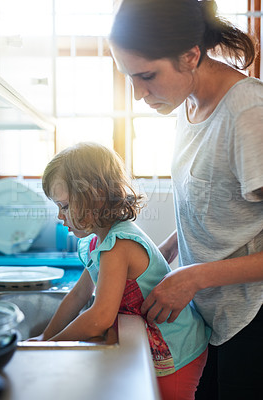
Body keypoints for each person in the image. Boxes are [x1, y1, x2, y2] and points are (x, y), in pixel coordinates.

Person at [109, 1, 263, 399]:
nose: (139, 94)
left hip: (252, 316)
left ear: (191, 55)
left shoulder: (248, 113)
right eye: (130, 77)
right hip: (214, 315)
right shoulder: (187, 104)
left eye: (147, 76)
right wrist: (165, 253)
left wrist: (192, 278)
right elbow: (216, 204)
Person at [37, 142, 210, 400]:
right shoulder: (100, 241)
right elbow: (78, 295)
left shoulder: (118, 246)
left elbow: (100, 317)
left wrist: (52, 347)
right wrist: (43, 339)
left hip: (176, 352)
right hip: (157, 346)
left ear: (94, 198)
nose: (60, 217)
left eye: (64, 206)